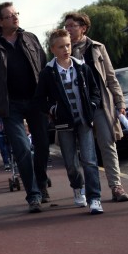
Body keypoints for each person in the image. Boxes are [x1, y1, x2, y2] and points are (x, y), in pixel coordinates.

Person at [0, 2, 50, 213]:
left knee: (43, 147)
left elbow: (45, 71)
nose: (15, 18)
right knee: (22, 149)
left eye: (16, 14)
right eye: (9, 16)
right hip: (11, 107)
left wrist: (51, 103)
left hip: (36, 101)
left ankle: (42, 183)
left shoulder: (31, 39)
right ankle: (34, 196)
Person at [64, 12, 128, 202]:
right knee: (79, 152)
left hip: (100, 104)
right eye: (66, 26)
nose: (68, 29)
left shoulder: (97, 48)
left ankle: (116, 186)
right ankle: (82, 188)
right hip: (76, 108)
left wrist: (120, 103)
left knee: (107, 144)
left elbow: (111, 78)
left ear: (83, 28)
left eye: (71, 26)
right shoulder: (63, 50)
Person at [35, 29, 104, 214]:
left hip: (84, 121)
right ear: (53, 49)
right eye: (61, 46)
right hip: (64, 124)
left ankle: (95, 198)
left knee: (89, 160)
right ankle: (77, 187)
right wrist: (53, 109)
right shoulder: (48, 73)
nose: (66, 49)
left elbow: (95, 90)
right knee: (71, 163)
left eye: (68, 45)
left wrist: (91, 105)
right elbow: (40, 100)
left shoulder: (82, 67)